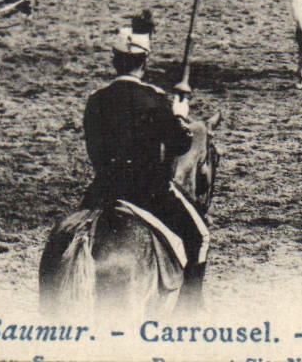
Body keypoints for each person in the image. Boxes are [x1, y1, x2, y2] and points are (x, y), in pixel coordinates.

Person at [82, 16, 208, 307]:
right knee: (200, 236)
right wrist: (179, 115)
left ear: (115, 60)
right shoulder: (155, 99)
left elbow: (94, 148)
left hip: (103, 190)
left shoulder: (96, 100)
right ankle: (189, 311)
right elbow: (180, 144)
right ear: (145, 62)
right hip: (149, 194)